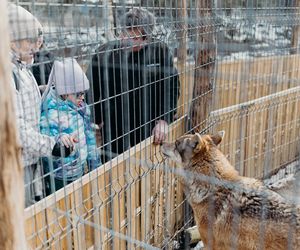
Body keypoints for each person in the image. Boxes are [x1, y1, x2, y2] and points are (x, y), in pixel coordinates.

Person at [87, 8, 180, 161]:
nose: (126, 41)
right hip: (114, 126)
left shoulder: (160, 51)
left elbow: (171, 86)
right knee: (114, 171)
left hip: (149, 125)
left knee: (146, 168)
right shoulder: (103, 54)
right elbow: (90, 90)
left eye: (134, 38)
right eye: (124, 34)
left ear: (147, 38)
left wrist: (164, 119)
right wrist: (98, 120)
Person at [8, 3, 76, 207]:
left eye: (38, 40)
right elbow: (16, 128)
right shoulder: (6, 73)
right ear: (12, 41)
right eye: (30, 40)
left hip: (30, 159)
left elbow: (23, 100)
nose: (36, 47)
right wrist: (52, 146)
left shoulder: (22, 67)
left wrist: (44, 90)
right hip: (15, 165)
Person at [40, 59, 101, 194]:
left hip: (79, 169)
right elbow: (47, 146)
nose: (82, 98)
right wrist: (60, 140)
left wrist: (94, 163)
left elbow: (89, 136)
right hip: (60, 175)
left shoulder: (82, 109)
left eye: (83, 93)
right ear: (64, 93)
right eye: (78, 94)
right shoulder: (50, 114)